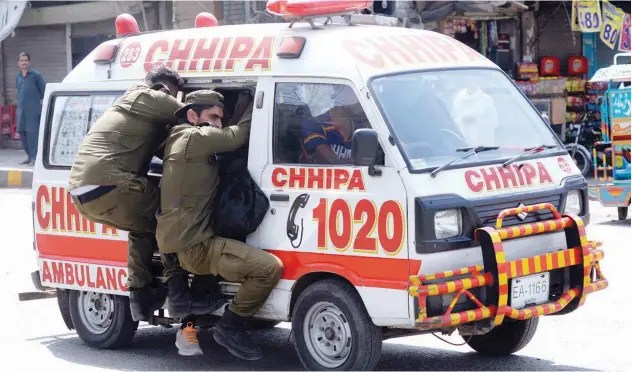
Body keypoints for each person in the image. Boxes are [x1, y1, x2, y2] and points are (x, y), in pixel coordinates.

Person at [68, 66, 218, 323]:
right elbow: (191, 118)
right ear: (164, 88)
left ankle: (139, 297)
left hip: (84, 193)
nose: (176, 99)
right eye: (176, 94)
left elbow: (171, 149)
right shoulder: (148, 96)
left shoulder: (133, 111)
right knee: (172, 214)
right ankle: (180, 293)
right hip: (111, 183)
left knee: (143, 225)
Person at [156, 90, 283, 359]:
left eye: (220, 118)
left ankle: (195, 326)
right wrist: (260, 98)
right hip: (194, 245)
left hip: (185, 239)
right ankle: (230, 327)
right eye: (212, 117)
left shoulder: (179, 140)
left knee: (205, 279)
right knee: (268, 269)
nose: (218, 123)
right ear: (192, 116)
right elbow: (238, 134)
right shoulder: (194, 136)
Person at [300, 86, 367, 164]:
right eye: (358, 96)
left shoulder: (360, 127)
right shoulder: (314, 124)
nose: (361, 102)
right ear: (346, 101)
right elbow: (332, 162)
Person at [16, 52, 46, 166]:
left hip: (33, 111)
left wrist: (34, 102)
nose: (24, 62)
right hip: (21, 111)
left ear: (29, 62)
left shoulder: (36, 76)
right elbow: (19, 93)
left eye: (26, 60)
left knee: (32, 134)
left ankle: (34, 158)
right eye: (22, 60)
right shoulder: (18, 77)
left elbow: (44, 91)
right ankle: (29, 156)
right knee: (22, 134)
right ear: (18, 63)